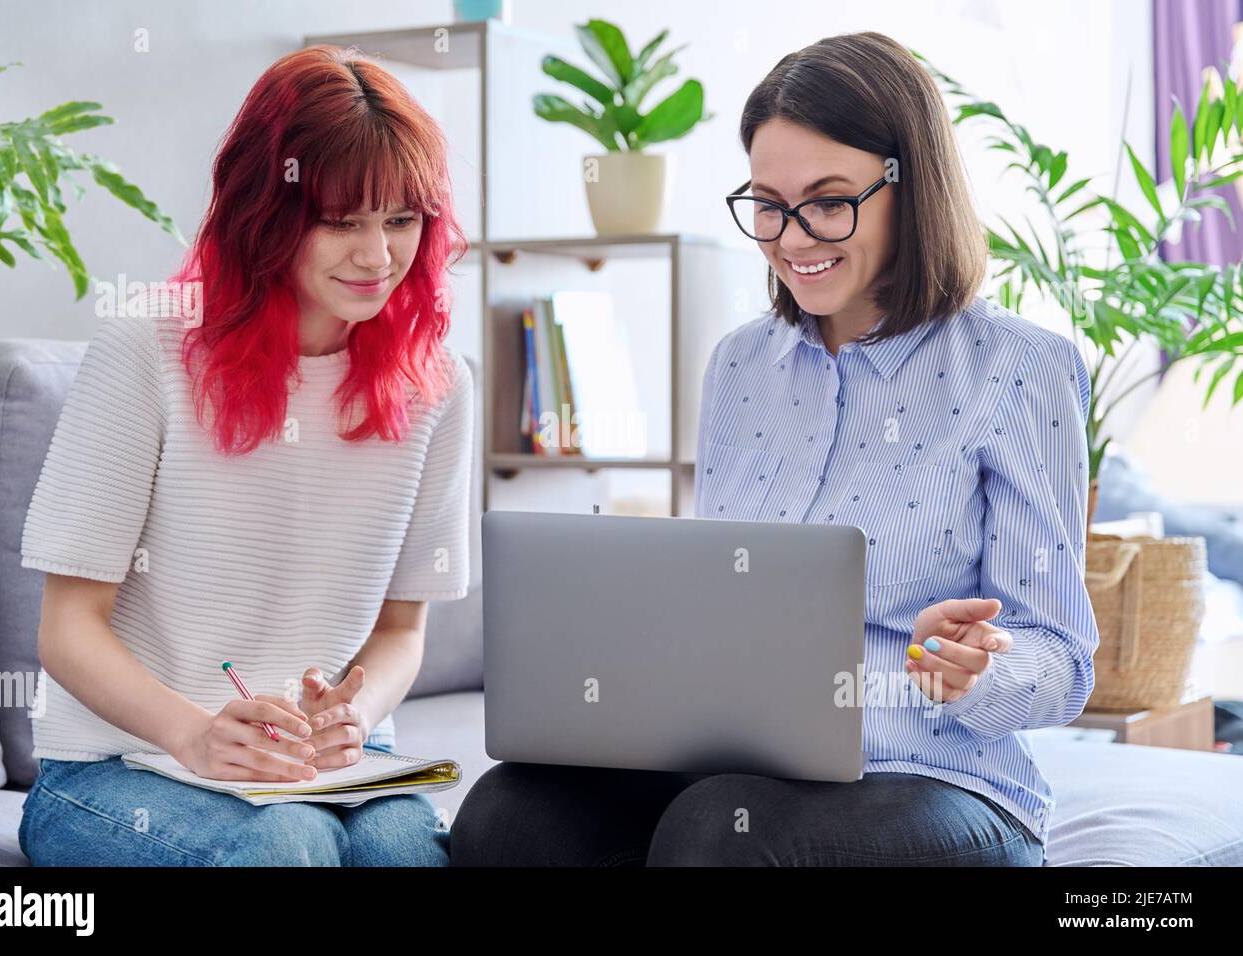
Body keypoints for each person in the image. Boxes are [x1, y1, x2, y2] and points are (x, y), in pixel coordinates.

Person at [450, 31, 1097, 867]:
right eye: (767, 203)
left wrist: (980, 668)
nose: (793, 237)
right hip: (740, 767)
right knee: (511, 811)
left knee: (719, 833)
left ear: (912, 186)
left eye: (829, 201)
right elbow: (722, 606)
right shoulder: (741, 366)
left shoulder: (1019, 368)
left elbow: (1065, 665)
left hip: (942, 780)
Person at [17, 45, 473, 866]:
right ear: (265, 213)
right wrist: (194, 736)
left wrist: (355, 715)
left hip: (323, 771)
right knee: (289, 844)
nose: (378, 258)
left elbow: (403, 627)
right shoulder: (146, 349)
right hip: (116, 769)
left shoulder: (438, 384)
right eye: (341, 222)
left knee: (405, 846)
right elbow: (65, 629)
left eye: (402, 220)